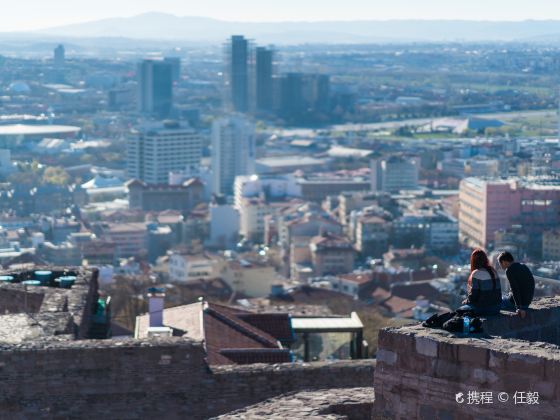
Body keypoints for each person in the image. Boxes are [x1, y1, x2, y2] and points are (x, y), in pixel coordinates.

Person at [458, 249, 501, 316]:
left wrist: (466, 301)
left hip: (484, 309)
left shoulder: (476, 273)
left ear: (473, 261)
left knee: (459, 311)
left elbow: (473, 297)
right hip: (497, 308)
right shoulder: (493, 271)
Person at [497, 251, 535, 319]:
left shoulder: (509, 270)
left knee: (497, 300)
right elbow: (532, 283)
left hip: (519, 304)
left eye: (500, 263)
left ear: (504, 261)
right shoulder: (523, 266)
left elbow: (515, 289)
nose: (500, 265)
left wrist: (519, 307)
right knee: (505, 295)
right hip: (527, 302)